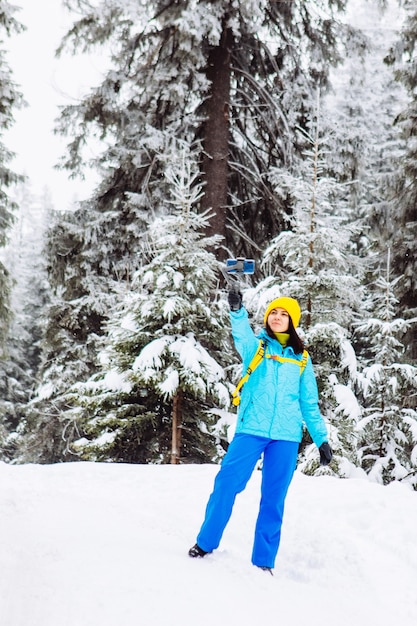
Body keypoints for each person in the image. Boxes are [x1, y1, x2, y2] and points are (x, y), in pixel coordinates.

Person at [188, 293, 332, 574]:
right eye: (273, 312)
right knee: (226, 484)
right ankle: (206, 542)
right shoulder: (256, 347)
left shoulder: (302, 359)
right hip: (251, 429)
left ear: (292, 321)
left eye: (283, 314)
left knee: (274, 499)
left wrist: (321, 439)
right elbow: (240, 334)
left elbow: (308, 403)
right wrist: (237, 310)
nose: (277, 317)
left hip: (286, 436)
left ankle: (264, 561)